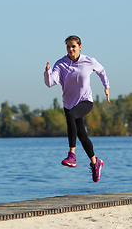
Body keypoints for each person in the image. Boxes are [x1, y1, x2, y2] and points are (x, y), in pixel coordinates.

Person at [44, 35, 110, 182]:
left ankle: (72, 155)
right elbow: (51, 82)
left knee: (71, 116)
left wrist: (106, 87)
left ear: (80, 47)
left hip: (85, 101)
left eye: (73, 46)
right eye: (68, 46)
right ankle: (95, 163)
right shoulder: (61, 64)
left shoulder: (89, 61)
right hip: (69, 103)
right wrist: (47, 72)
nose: (71, 49)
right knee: (82, 136)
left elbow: (102, 71)